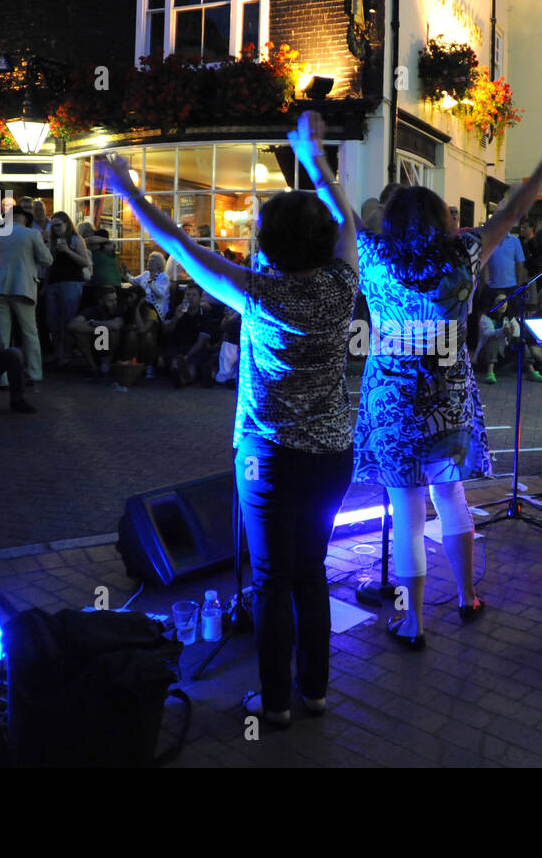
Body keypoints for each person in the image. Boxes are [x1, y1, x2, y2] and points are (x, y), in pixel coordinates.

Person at [100, 111, 360, 728]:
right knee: (310, 573)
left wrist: (131, 191)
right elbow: (348, 220)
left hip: (267, 456)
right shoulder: (343, 283)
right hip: (331, 456)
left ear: (269, 244)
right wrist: (316, 158)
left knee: (270, 579)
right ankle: (315, 691)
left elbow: (178, 245)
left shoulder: (256, 291)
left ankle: (273, 704)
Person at [354, 127, 542, 648]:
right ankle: (467, 597)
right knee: (451, 498)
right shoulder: (463, 256)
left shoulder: (373, 258)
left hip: (392, 403)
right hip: (448, 401)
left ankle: (411, 622)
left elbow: (341, 209)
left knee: (407, 511)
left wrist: (314, 160)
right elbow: (514, 211)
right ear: (438, 222)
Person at [0, 202, 52, 386]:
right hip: (24, 287)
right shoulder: (32, 234)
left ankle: (1, 377)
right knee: (30, 332)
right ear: (25, 220)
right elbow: (47, 260)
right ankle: (34, 372)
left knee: (1, 334)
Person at [44, 211, 91, 366]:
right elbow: (49, 265)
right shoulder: (52, 240)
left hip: (71, 282)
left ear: (66, 224)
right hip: (54, 282)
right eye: (53, 226)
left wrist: (68, 251)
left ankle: (67, 353)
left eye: (58, 225)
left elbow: (85, 262)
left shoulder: (75, 240)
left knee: (69, 319)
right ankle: (59, 354)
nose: (56, 229)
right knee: (53, 320)